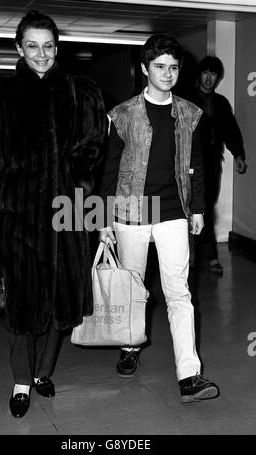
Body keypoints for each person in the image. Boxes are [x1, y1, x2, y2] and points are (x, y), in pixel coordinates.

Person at [0, 10, 106, 418]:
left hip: (68, 211)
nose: (42, 54)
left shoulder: (79, 91)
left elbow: (91, 152)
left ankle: (43, 371)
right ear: (18, 48)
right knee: (23, 300)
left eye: (48, 45)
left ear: (56, 47)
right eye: (32, 46)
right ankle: (20, 380)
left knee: (62, 297)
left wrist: (86, 205)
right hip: (18, 212)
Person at [98, 34, 219, 403]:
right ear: (144, 69)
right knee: (135, 290)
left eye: (173, 67)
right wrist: (103, 220)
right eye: (160, 67)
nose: (167, 73)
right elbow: (109, 170)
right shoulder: (122, 114)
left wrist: (197, 209)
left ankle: (189, 375)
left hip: (172, 211)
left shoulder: (190, 113)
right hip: (132, 212)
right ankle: (130, 348)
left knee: (179, 292)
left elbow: (196, 164)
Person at [190, 56, 247, 274]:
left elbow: (231, 130)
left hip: (212, 160)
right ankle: (196, 256)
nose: (208, 78)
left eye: (213, 74)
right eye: (205, 72)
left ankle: (209, 255)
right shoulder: (187, 99)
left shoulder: (221, 102)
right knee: (191, 207)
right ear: (199, 74)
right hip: (190, 161)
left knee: (206, 207)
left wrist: (239, 154)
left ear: (218, 77)